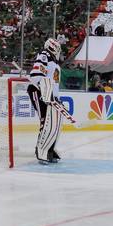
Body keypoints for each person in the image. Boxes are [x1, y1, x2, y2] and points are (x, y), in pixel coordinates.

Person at [27, 36, 64, 164]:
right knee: (45, 121)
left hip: (50, 97)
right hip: (39, 92)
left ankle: (49, 149)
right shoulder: (44, 55)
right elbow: (36, 76)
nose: (59, 52)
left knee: (54, 124)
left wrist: (56, 99)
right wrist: (45, 92)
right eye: (58, 49)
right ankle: (41, 149)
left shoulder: (54, 63)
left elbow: (54, 84)